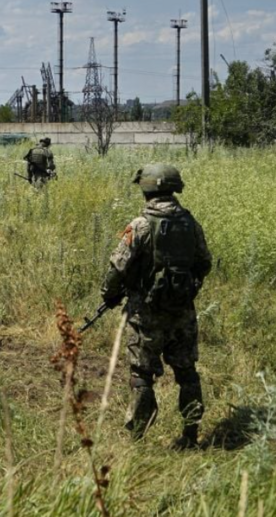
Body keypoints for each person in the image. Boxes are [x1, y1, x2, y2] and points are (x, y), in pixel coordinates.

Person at [100, 163, 212, 449]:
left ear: (147, 188)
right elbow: (204, 263)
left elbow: (117, 268)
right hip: (183, 312)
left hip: (145, 314)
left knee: (141, 375)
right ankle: (190, 436)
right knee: (187, 373)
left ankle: (137, 438)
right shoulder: (190, 222)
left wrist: (109, 295)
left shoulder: (140, 226)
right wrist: (184, 288)